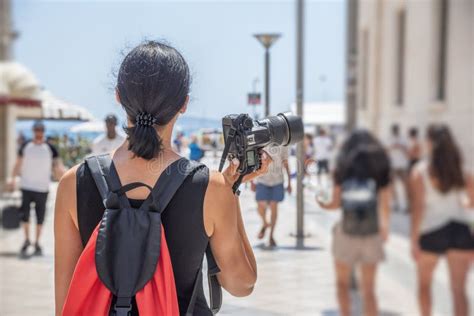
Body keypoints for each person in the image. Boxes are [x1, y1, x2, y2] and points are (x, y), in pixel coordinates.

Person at [54, 41, 270, 315]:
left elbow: (65, 304)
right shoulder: (210, 187)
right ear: (184, 104)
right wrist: (231, 191)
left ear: (119, 96)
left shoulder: (72, 183)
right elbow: (242, 284)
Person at [317, 129, 391, 316]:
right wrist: (384, 228)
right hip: (371, 232)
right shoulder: (379, 168)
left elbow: (335, 203)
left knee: (342, 285)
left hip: (346, 232)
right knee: (369, 290)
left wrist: (322, 204)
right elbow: (385, 204)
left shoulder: (342, 168)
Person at [410, 124, 474, 316]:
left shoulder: (420, 171)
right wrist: (461, 206)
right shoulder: (463, 170)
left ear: (429, 142)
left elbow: (418, 208)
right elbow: (472, 203)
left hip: (431, 230)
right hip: (460, 230)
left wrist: (414, 239)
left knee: (424, 286)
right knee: (458, 291)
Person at [7, 121, 65, 257]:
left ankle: (37, 242)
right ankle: (27, 240)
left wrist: (64, 180)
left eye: (41, 130)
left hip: (42, 188)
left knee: (40, 217)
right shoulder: (26, 145)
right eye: (36, 130)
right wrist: (12, 179)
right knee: (25, 215)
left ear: (43, 131)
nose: (39, 133)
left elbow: (58, 167)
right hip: (26, 186)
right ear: (33, 131)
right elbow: (18, 163)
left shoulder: (51, 148)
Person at [251, 144, 291, 247]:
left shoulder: (284, 143)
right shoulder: (261, 139)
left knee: (274, 206)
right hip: (261, 179)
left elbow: (286, 162)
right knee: (260, 205)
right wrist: (251, 181)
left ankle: (271, 236)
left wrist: (290, 182)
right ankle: (265, 223)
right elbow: (252, 159)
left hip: (277, 180)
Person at [388, 124, 409, 212]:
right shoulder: (389, 139)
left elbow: (407, 151)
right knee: (392, 186)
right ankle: (395, 204)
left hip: (402, 165)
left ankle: (408, 205)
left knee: (406, 186)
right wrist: (392, 146)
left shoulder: (403, 139)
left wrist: (400, 146)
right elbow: (385, 150)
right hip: (392, 165)